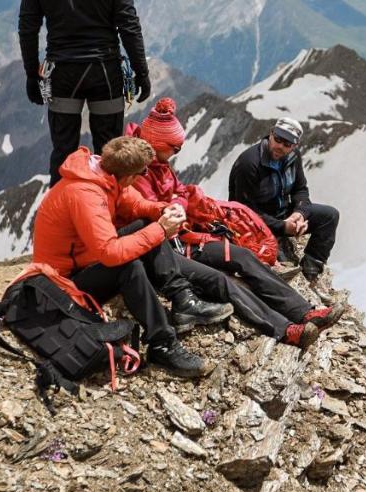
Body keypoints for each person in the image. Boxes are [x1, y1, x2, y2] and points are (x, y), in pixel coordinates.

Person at [129, 99, 339, 348]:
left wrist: (300, 213)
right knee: (222, 281)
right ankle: (286, 330)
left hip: (182, 239)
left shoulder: (159, 167)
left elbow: (178, 196)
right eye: (174, 148)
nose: (177, 153)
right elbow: (156, 211)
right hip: (164, 248)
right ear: (157, 145)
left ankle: (304, 312)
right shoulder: (136, 174)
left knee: (243, 257)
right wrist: (179, 204)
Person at [30, 135, 225, 378]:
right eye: (142, 173)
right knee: (128, 266)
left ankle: (182, 299)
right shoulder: (86, 195)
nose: (143, 176)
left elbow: (136, 206)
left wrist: (162, 210)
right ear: (128, 176)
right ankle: (162, 344)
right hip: (63, 284)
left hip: (83, 264)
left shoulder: (103, 174)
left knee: (146, 225)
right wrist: (161, 230)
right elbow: (110, 254)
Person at [18, 0, 153, 186]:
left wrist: (32, 74)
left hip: (63, 71)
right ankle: (109, 220)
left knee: (64, 155)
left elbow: (28, 27)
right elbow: (129, 26)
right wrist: (142, 72)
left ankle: (62, 221)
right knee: (113, 155)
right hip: (105, 71)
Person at [228, 117, 339, 282]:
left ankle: (311, 271)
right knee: (279, 264)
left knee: (329, 216)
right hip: (252, 222)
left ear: (294, 146)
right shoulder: (249, 163)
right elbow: (243, 210)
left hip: (282, 214)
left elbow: (300, 190)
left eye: (287, 144)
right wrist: (282, 227)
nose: (280, 146)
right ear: (271, 134)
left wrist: (300, 213)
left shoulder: (293, 158)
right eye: (278, 139)